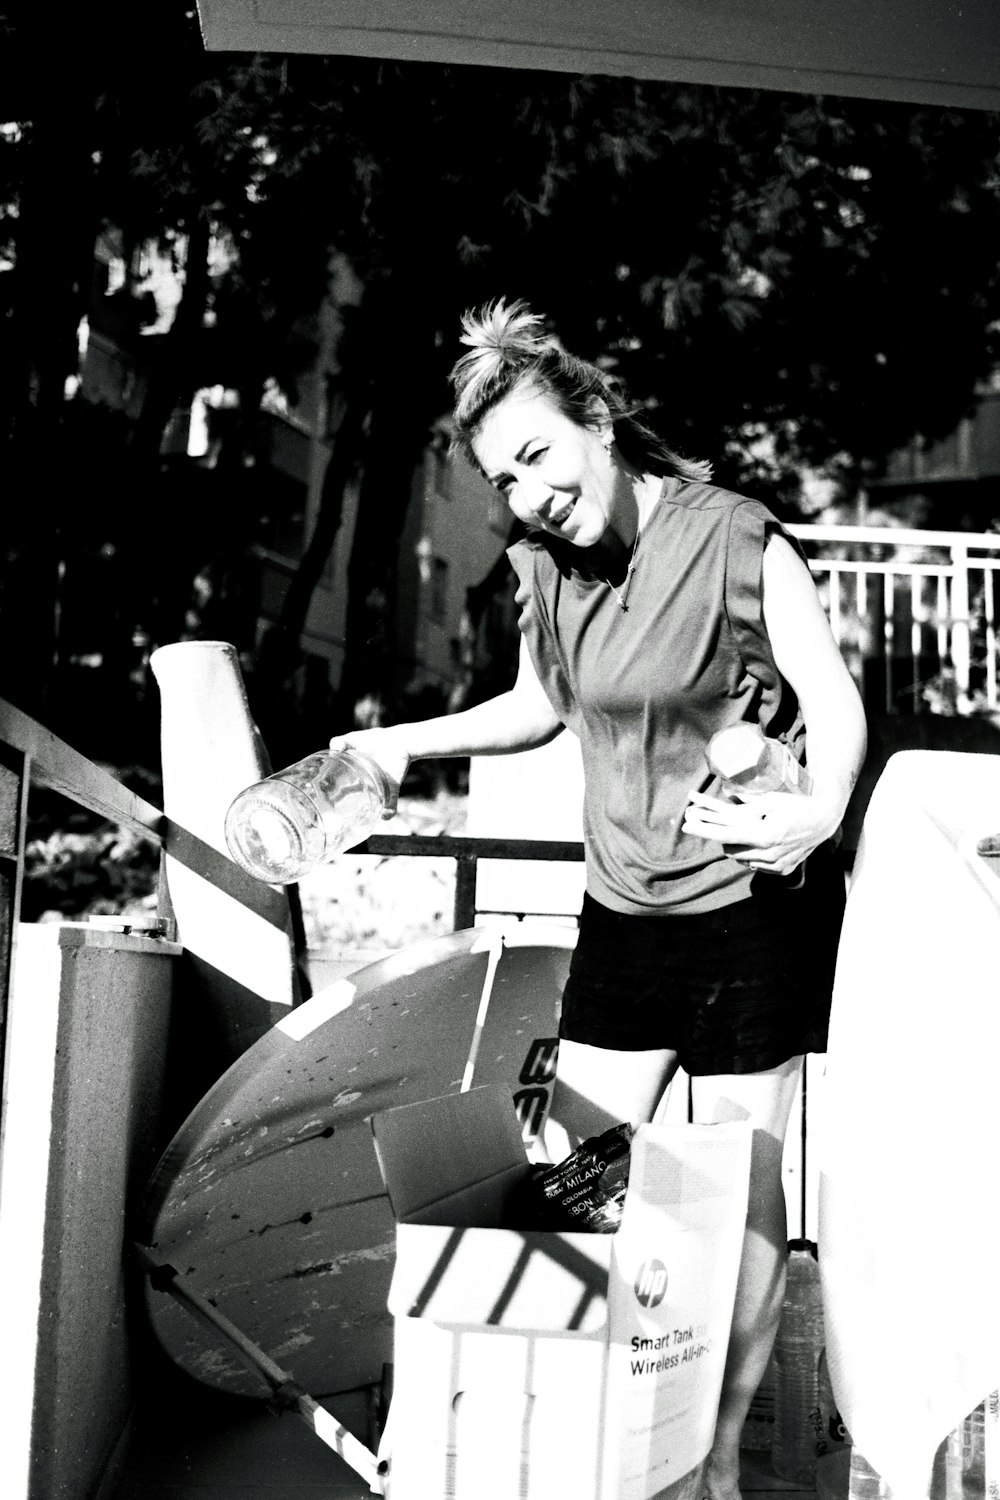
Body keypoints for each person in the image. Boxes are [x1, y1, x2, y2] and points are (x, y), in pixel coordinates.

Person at [329, 299, 867, 1500]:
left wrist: (821, 807)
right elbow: (537, 705)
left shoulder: (736, 536)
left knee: (736, 1196)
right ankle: (581, 1431)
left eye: (535, 455)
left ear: (596, 421)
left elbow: (833, 704)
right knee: (574, 1176)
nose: (526, 493)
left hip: (752, 908)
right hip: (624, 912)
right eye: (500, 479)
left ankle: (712, 1463)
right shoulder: (544, 568)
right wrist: (401, 741)